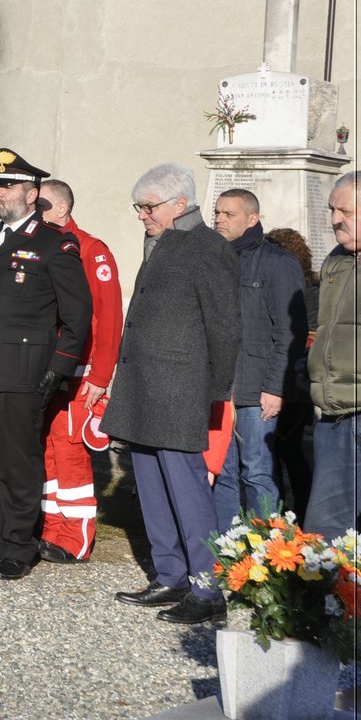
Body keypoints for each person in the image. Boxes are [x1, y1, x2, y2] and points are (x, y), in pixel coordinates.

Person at [105, 162, 240, 625]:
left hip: (181, 390)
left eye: (148, 206)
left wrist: (215, 392)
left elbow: (224, 326)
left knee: (187, 491)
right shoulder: (161, 242)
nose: (141, 214)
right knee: (151, 485)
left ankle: (208, 588)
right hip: (145, 387)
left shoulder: (207, 247)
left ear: (180, 204)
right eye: (138, 206)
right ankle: (171, 575)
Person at [0, 148, 91, 582]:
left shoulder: (55, 243)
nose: (0, 191)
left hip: (22, 373)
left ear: (32, 194)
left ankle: (18, 546)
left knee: (18, 462)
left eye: (9, 185)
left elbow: (78, 316)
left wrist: (58, 369)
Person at [305, 172, 361, 587]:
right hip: (337, 412)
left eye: (344, 210)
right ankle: (328, 629)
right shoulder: (336, 260)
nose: (334, 219)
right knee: (325, 529)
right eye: (331, 210)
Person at [32, 178, 122, 563]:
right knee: (48, 454)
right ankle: (52, 529)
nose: (36, 213)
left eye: (44, 206)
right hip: (47, 370)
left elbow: (109, 317)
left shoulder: (90, 250)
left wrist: (100, 378)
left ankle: (75, 538)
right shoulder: (38, 245)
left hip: (81, 373)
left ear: (64, 209)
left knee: (70, 455)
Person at [209, 187, 307, 527]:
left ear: (252, 219)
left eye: (228, 214)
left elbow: (290, 332)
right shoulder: (213, 258)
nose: (220, 219)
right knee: (221, 470)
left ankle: (265, 554)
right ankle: (225, 550)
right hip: (218, 386)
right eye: (217, 213)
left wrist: (276, 388)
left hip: (256, 388)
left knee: (257, 471)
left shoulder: (279, 264)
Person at [264, 226, 319, 510]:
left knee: (287, 448)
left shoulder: (309, 292)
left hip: (296, 383)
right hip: (283, 377)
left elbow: (310, 336)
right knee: (281, 449)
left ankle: (299, 509)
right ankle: (285, 509)